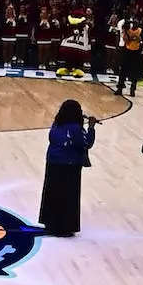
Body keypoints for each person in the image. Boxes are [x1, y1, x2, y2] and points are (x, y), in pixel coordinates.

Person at [38, 97, 96, 237]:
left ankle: (50, 223)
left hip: (52, 162)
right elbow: (86, 143)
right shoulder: (76, 128)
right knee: (68, 196)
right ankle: (64, 227)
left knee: (51, 193)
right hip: (70, 166)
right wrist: (91, 128)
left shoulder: (56, 124)